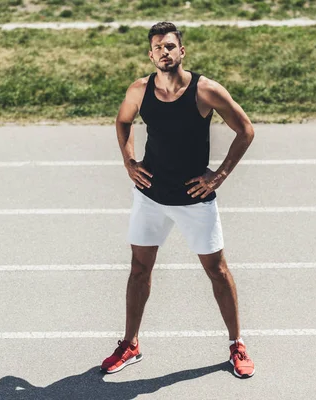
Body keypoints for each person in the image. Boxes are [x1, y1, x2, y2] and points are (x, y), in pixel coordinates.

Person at [101, 21, 255, 379]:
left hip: (193, 198)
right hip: (150, 196)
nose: (164, 52)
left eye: (170, 46)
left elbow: (245, 130)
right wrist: (129, 161)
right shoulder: (139, 90)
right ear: (150, 54)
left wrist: (218, 176)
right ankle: (130, 344)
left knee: (217, 271)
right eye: (157, 47)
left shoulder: (206, 91)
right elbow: (123, 122)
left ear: (181, 51)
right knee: (139, 269)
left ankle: (237, 344)